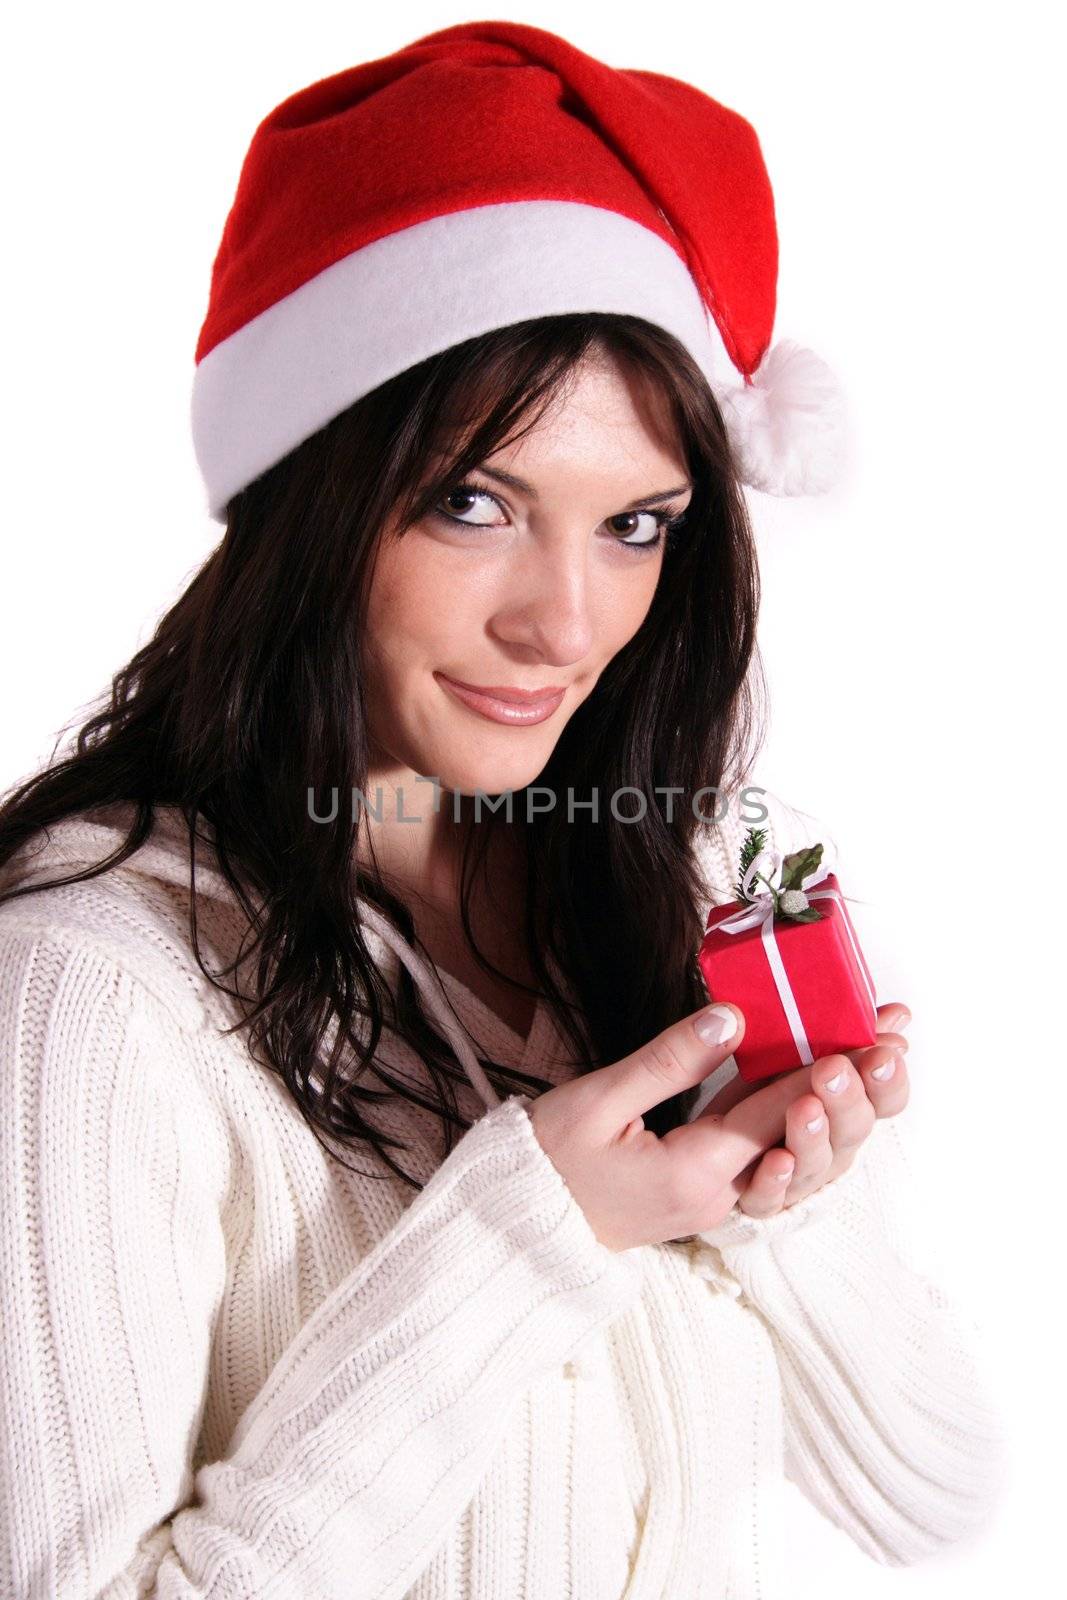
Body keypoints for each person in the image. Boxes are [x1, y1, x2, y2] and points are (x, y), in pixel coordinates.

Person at [0, 19, 1005, 1599]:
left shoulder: (633, 907)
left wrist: (780, 1203)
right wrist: (522, 1242)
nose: (565, 622)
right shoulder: (91, 989)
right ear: (314, 491)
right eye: (476, 502)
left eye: (635, 525)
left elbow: (935, 1497)